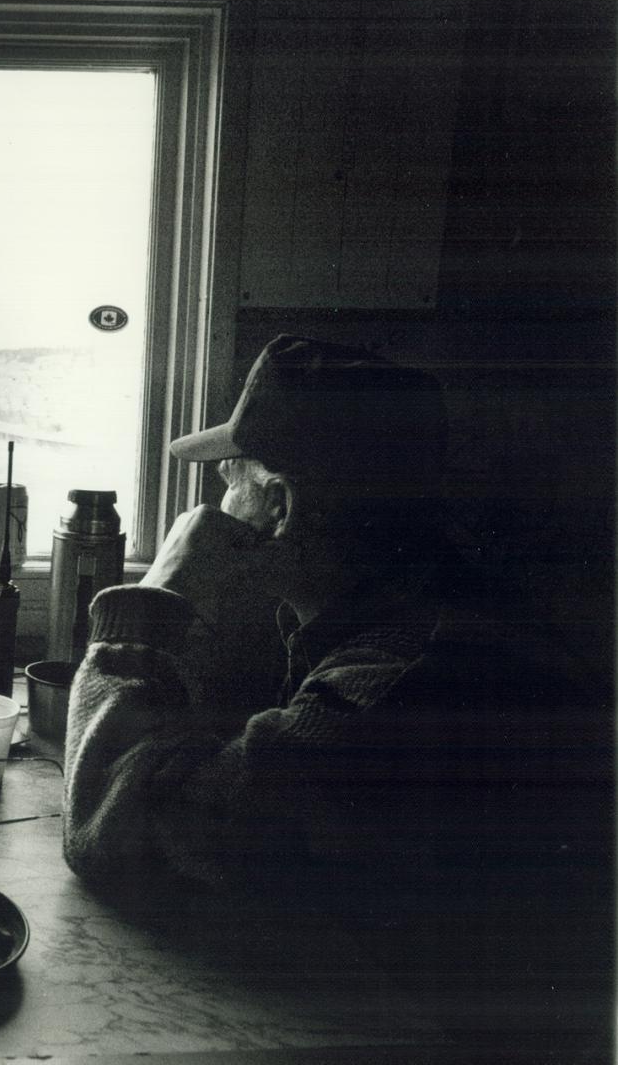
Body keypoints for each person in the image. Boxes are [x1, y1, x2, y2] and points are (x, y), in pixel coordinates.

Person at [61, 336, 609, 1035]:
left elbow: (107, 832)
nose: (214, 505)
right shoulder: (431, 607)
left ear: (278, 507)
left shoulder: (392, 686)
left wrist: (154, 602)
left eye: (229, 480)